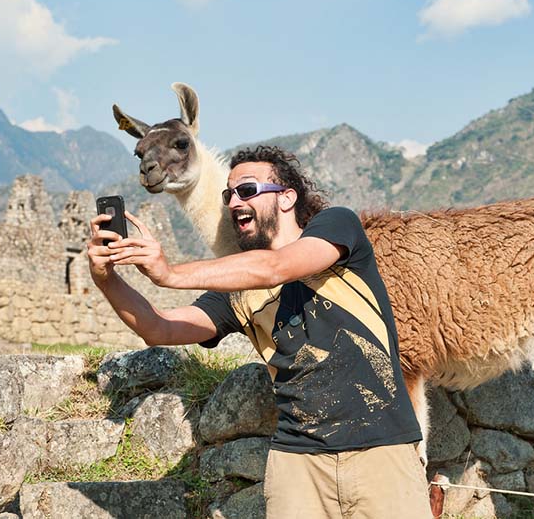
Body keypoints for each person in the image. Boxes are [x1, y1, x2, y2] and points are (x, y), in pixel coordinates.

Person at [88, 145, 432, 519]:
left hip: (382, 455)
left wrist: (170, 274)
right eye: (229, 194)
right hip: (297, 466)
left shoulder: (338, 228)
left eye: (247, 190)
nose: (234, 201)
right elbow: (157, 328)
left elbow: (277, 268)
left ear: (287, 198)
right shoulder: (237, 292)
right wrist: (106, 279)